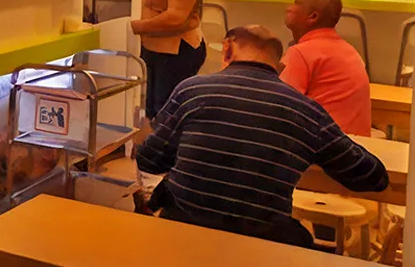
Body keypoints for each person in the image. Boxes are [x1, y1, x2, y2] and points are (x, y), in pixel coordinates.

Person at [136, 25, 388, 248]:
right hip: (263, 245)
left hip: (182, 230)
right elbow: (371, 177)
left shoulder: (191, 90)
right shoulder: (306, 111)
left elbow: (149, 159)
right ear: (280, 67)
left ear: (226, 51)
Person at [281, 0, 372, 137]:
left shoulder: (301, 53)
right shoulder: (350, 51)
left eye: (296, 3)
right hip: (356, 150)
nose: (288, 8)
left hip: (325, 152)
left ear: (313, 17)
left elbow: (281, 107)